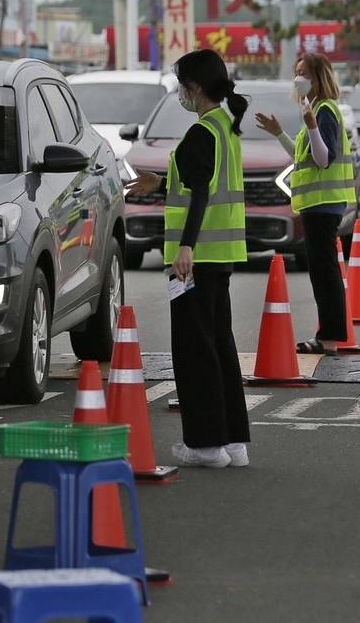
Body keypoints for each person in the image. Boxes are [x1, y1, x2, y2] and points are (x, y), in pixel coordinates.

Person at [125, 49, 251, 469]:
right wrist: (159, 183)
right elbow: (201, 186)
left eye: (182, 85)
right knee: (219, 345)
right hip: (220, 256)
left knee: (194, 350)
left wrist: (185, 248)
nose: (180, 93)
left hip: (194, 260)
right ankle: (233, 442)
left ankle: (205, 445)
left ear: (195, 88)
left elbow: (200, 196)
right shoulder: (225, 129)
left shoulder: (202, 133)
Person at [256, 51, 356, 350]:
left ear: (318, 77)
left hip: (324, 205)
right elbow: (305, 159)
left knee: (324, 271)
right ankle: (329, 335)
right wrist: (280, 134)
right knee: (322, 269)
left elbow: (324, 160)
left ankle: (329, 337)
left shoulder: (324, 111)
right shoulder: (314, 110)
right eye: (296, 72)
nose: (298, 79)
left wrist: (311, 125)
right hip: (317, 204)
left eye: (304, 73)